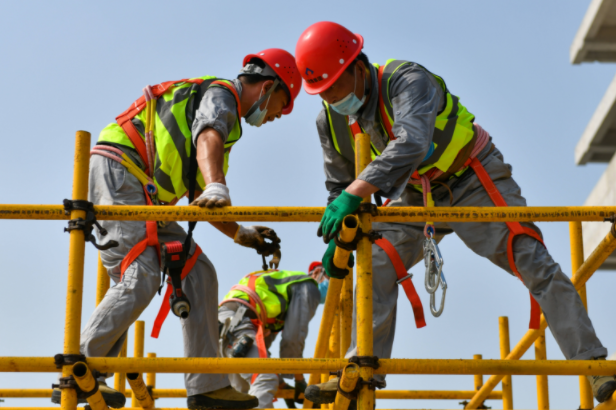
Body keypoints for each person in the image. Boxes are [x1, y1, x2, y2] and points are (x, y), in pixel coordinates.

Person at [294, 21, 616, 404]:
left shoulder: (406, 79)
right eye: (321, 92)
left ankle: (593, 366)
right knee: (374, 258)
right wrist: (340, 238)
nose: (330, 99)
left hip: (472, 178)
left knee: (531, 259)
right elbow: (338, 187)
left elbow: (412, 142)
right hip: (415, 195)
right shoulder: (328, 120)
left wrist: (354, 193)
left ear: (357, 67)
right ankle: (361, 369)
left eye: (334, 87)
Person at [52, 49, 300, 410]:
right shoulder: (221, 97)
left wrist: (239, 233)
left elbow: (199, 191)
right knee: (141, 273)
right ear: (267, 86)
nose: (278, 115)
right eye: (282, 103)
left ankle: (206, 385)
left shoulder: (223, 126)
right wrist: (219, 184)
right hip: (122, 169)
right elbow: (208, 139)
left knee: (199, 271)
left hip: (145, 194)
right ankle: (76, 372)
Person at [218, 264, 322, 408]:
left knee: (243, 394)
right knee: (265, 379)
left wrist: (282, 384)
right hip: (239, 320)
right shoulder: (308, 285)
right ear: (317, 272)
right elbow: (293, 339)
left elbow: (262, 352)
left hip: (226, 325)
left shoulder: (273, 300)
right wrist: (299, 380)